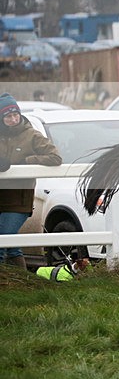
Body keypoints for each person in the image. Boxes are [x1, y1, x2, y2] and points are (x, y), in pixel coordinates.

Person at [0, 93, 63, 270]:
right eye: (8, 116)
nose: (13, 119)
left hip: (19, 199)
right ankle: (23, 279)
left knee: (3, 239)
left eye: (15, 115)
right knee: (12, 246)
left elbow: (55, 158)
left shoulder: (32, 135)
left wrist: (26, 161)